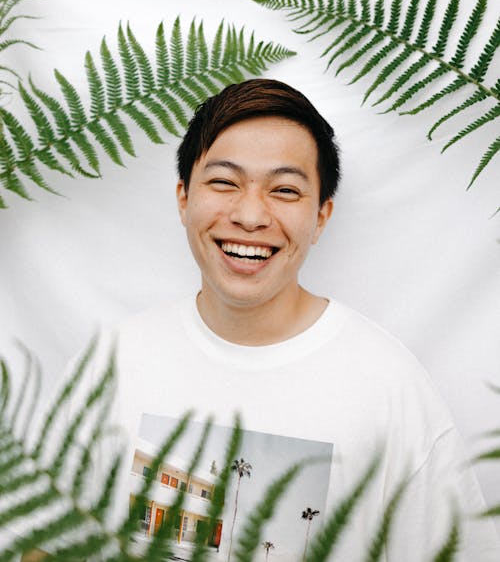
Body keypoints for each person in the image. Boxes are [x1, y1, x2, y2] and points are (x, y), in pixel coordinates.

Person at [19, 78, 499, 561]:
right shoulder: (112, 363)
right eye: (224, 182)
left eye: (285, 190)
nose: (250, 215)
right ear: (184, 198)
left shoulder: (389, 385)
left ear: (322, 215)